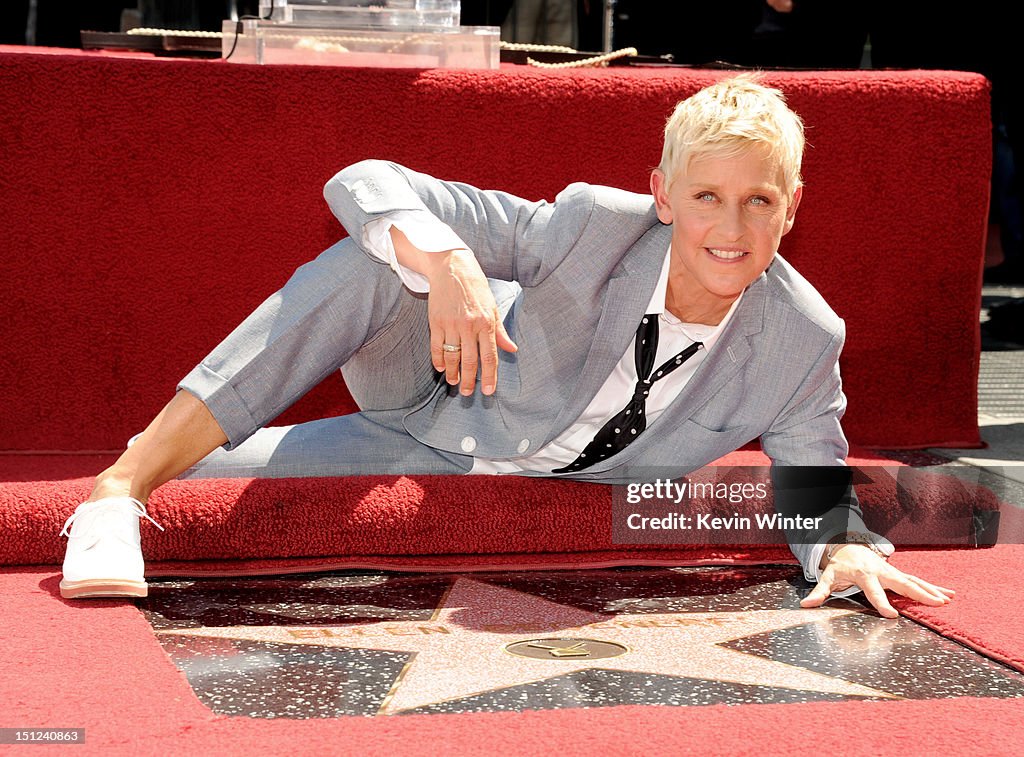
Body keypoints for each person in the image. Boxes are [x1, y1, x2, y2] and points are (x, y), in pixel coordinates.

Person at [60, 74, 955, 618]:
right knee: (379, 258)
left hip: (430, 461)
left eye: (759, 200)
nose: (732, 225)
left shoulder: (802, 335)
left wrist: (841, 548)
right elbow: (363, 179)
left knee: (210, 487)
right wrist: (443, 258)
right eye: (708, 196)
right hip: (441, 377)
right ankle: (116, 490)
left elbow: (814, 482)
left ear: (790, 210)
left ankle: (160, 476)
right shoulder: (591, 225)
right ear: (663, 195)